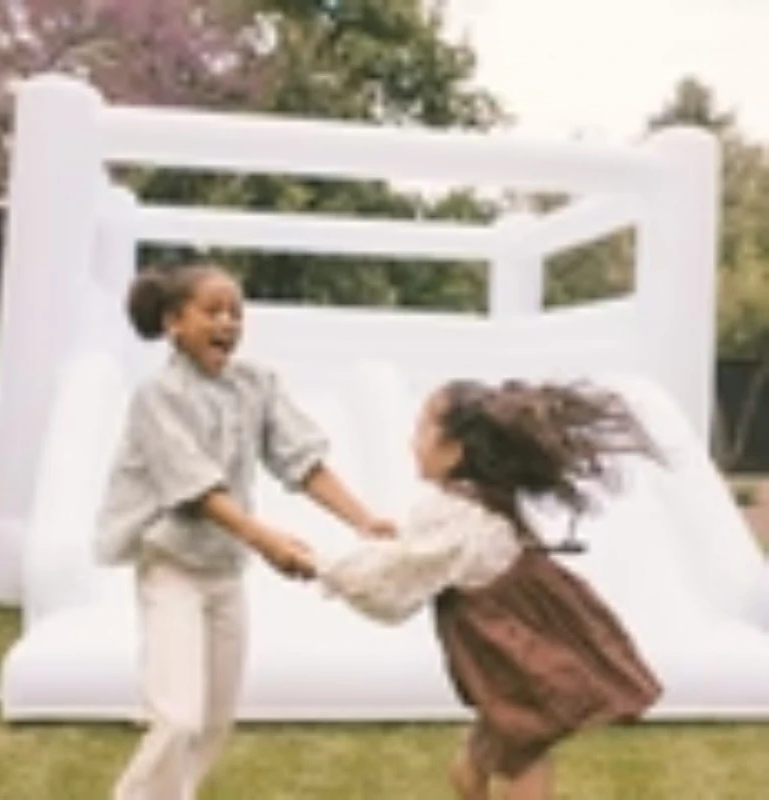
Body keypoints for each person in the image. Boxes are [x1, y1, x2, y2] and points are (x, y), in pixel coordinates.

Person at [94, 263, 392, 800]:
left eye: (236, 312)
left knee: (214, 721)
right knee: (178, 718)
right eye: (213, 310)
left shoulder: (257, 384)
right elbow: (198, 490)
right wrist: (270, 541)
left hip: (225, 573)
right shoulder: (157, 396)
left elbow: (302, 461)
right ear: (173, 322)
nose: (228, 321)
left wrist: (364, 520)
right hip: (172, 570)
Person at [315, 378, 662, 800]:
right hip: (522, 638)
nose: (412, 440)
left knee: (520, 758)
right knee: (469, 770)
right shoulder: (476, 501)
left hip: (516, 651)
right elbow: (424, 557)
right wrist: (394, 542)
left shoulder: (457, 511)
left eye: (422, 429)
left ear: (455, 450)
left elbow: (395, 575)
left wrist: (321, 566)